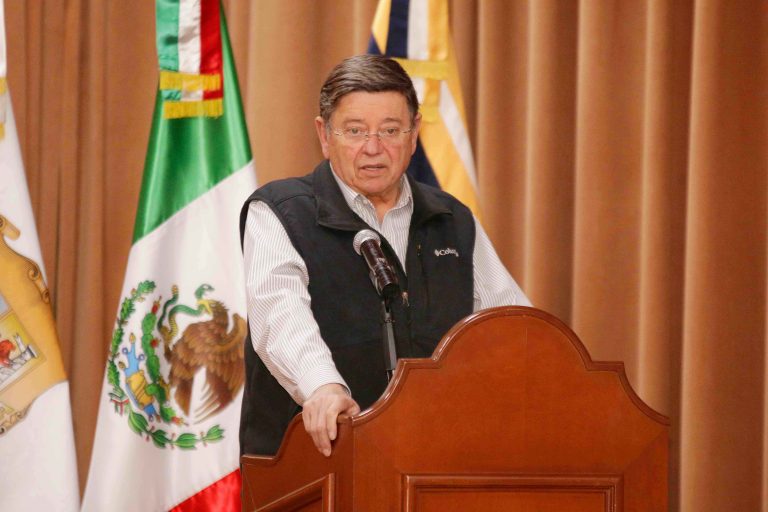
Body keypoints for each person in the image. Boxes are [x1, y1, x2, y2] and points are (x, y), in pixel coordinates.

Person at [239, 54, 530, 458]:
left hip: (434, 460)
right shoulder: (281, 211)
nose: (372, 148)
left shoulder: (452, 219)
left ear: (414, 135)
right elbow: (280, 316)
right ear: (324, 135)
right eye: (355, 130)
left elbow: (513, 327)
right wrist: (323, 386)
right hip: (311, 463)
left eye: (390, 130)